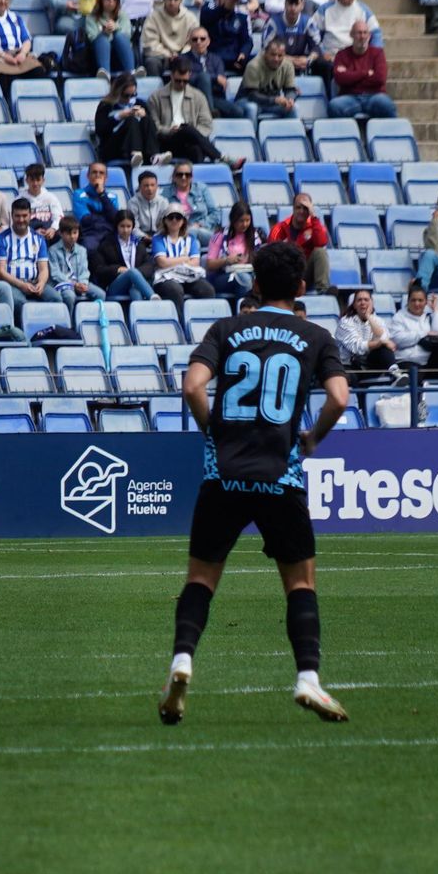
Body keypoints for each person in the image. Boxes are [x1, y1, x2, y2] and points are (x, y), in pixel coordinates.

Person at [158, 241, 351, 728]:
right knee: (300, 583)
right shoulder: (315, 335)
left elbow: (191, 386)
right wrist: (310, 440)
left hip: (223, 473)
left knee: (201, 579)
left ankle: (182, 661)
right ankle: (308, 677)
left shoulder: (227, 328)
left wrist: (213, 429)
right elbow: (340, 399)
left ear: (256, 285)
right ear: (302, 288)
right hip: (280, 476)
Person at [0, 198, 52, 312]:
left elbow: (43, 269)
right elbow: (1, 271)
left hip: (34, 282)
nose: (21, 219)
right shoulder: (1, 239)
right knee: (21, 304)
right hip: (12, 284)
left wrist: (41, 283)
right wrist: (21, 285)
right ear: (11, 216)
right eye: (17, 216)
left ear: (30, 215)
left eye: (24, 216)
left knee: (56, 299)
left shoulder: (39, 239)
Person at [329, 22, 397, 119]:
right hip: (350, 98)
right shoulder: (341, 55)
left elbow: (380, 79)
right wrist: (365, 73)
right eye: (359, 33)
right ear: (351, 35)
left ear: (369, 36)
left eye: (365, 33)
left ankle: (390, 134)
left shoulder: (378, 53)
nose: (362, 36)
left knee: (386, 104)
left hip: (374, 96)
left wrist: (350, 76)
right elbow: (340, 78)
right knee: (334, 106)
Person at [95, 72, 162, 169]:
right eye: (126, 95)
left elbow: (152, 128)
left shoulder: (140, 103)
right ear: (118, 92)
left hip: (140, 145)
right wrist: (118, 116)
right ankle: (135, 153)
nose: (129, 99)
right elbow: (100, 131)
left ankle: (154, 155)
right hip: (114, 146)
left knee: (147, 119)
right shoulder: (106, 105)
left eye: (133, 95)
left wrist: (144, 115)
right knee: (131, 119)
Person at [268, 192, 331, 293]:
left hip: (304, 275)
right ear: (293, 208)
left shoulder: (315, 227)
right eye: (298, 207)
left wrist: (313, 216)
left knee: (320, 252)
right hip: (285, 275)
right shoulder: (279, 228)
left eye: (305, 208)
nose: (301, 211)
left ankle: (323, 290)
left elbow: (321, 242)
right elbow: (270, 254)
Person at [90, 210, 157, 301]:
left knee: (135, 288)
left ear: (133, 226)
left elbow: (149, 265)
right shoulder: (107, 244)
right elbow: (99, 269)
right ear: (116, 226)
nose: (125, 230)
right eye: (122, 226)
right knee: (132, 273)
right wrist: (117, 269)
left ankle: (138, 314)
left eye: (128, 226)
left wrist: (136, 275)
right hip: (115, 286)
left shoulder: (139, 243)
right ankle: (152, 296)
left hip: (135, 284)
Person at [264, 0, 328, 82]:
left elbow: (317, 47)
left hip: (302, 62)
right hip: (278, 61)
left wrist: (308, 60)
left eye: (296, 4)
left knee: (323, 63)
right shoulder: (273, 23)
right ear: (285, 4)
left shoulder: (308, 22)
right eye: (290, 4)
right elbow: (266, 49)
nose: (293, 8)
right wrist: (290, 60)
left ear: (302, 5)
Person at [185, 27, 247, 121]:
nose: (199, 42)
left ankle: (210, 113)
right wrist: (213, 78)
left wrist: (213, 80)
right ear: (189, 42)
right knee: (203, 77)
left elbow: (221, 84)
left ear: (208, 41)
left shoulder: (216, 59)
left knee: (238, 111)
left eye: (202, 39)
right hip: (193, 98)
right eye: (195, 39)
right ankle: (210, 114)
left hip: (215, 97)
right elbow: (188, 79)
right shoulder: (183, 59)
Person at [205, 201, 263, 300]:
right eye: (241, 221)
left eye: (247, 220)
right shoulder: (220, 236)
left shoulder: (254, 236)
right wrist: (226, 260)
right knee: (244, 279)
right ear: (233, 220)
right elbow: (209, 264)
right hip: (222, 276)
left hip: (248, 272)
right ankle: (244, 311)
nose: (245, 224)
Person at [316, 0, 381, 61]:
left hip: (355, 56)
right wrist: (322, 52)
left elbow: (376, 33)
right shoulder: (324, 9)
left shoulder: (363, 10)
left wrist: (372, 54)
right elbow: (313, 34)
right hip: (329, 56)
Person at [151, 205, 212, 298]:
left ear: (183, 221)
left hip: (188, 276)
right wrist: (185, 259)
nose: (174, 220)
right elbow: (162, 263)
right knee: (175, 290)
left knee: (207, 290)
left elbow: (195, 262)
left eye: (178, 217)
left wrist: (172, 261)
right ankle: (178, 313)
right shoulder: (158, 238)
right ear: (165, 220)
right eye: (171, 217)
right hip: (166, 278)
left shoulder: (191, 238)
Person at [46, 217, 103, 313]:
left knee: (100, 294)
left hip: (79, 282)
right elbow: (55, 274)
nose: (72, 236)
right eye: (68, 233)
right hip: (62, 284)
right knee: (69, 296)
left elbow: (84, 271)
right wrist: (73, 284)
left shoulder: (82, 250)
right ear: (60, 233)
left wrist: (82, 283)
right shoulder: (53, 250)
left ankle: (89, 319)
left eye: (75, 233)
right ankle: (70, 323)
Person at [80, 0, 135, 81]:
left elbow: (127, 35)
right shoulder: (91, 17)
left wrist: (116, 27)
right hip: (98, 58)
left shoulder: (122, 15)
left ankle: (131, 72)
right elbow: (91, 37)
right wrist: (104, 32)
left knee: (119, 36)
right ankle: (105, 75)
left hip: (119, 56)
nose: (111, 0)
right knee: (103, 40)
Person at [336, 288, 397, 377]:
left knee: (384, 350)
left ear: (372, 303)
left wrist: (368, 316)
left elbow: (384, 337)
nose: (363, 303)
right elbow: (356, 347)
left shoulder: (377, 320)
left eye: (366, 300)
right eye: (359, 300)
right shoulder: (345, 322)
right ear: (354, 305)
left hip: (369, 363)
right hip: (349, 365)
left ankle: (395, 372)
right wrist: (381, 342)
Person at [163, 160, 221, 247]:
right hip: (177, 232)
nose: (183, 177)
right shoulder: (166, 193)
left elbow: (215, 214)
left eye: (187, 174)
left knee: (193, 231)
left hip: (203, 230)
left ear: (192, 177)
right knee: (195, 244)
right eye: (180, 174)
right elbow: (163, 216)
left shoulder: (201, 189)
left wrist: (200, 224)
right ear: (174, 177)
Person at [142, 0, 194, 78]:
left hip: (184, 55)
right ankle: (155, 91)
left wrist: (181, 54)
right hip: (162, 56)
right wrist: (168, 54)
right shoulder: (153, 17)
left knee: (194, 60)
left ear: (181, 0)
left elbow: (194, 41)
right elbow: (150, 43)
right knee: (151, 62)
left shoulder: (190, 18)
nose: (172, 2)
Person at [238, 38, 298, 120]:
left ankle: (292, 132)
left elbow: (290, 89)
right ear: (265, 53)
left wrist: (290, 99)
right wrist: (275, 100)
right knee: (252, 108)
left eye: (280, 56)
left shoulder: (288, 65)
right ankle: (251, 132)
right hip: (248, 100)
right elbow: (252, 95)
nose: (276, 59)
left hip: (272, 102)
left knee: (293, 108)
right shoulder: (254, 66)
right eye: (273, 55)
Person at [199, 0, 252, 76]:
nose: (229, 1)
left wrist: (243, 53)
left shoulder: (241, 17)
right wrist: (224, 8)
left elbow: (247, 41)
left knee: (253, 65)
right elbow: (206, 17)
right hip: (213, 57)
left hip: (234, 58)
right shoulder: (209, 8)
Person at [72, 160, 124, 252]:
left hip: (110, 233)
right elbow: (85, 220)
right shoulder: (79, 194)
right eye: (94, 172)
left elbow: (114, 218)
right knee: (91, 248)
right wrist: (105, 218)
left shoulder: (112, 196)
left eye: (101, 173)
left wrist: (102, 194)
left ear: (106, 178)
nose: (98, 175)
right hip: (90, 234)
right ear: (88, 176)